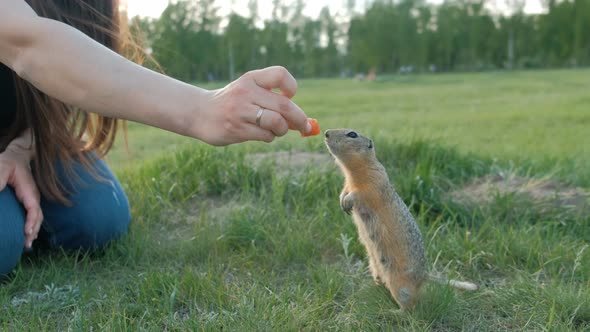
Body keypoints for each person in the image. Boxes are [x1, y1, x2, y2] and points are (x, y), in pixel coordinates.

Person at [0, 0, 312, 277]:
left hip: (22, 139)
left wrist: (21, 149)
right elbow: (27, 43)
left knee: (99, 216)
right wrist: (203, 109)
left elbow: (59, 91)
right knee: (4, 237)